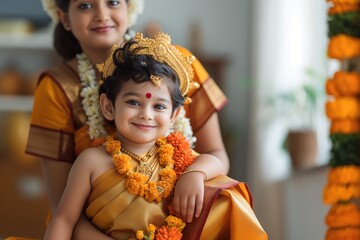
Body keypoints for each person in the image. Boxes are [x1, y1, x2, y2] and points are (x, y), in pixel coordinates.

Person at [18, 0, 267, 239]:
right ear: (64, 18)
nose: (102, 14)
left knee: (231, 197)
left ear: (130, 6)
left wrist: (195, 173)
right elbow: (63, 211)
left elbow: (217, 155)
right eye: (85, 5)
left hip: (180, 220)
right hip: (89, 231)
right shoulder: (57, 88)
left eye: (113, 2)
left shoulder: (176, 65)